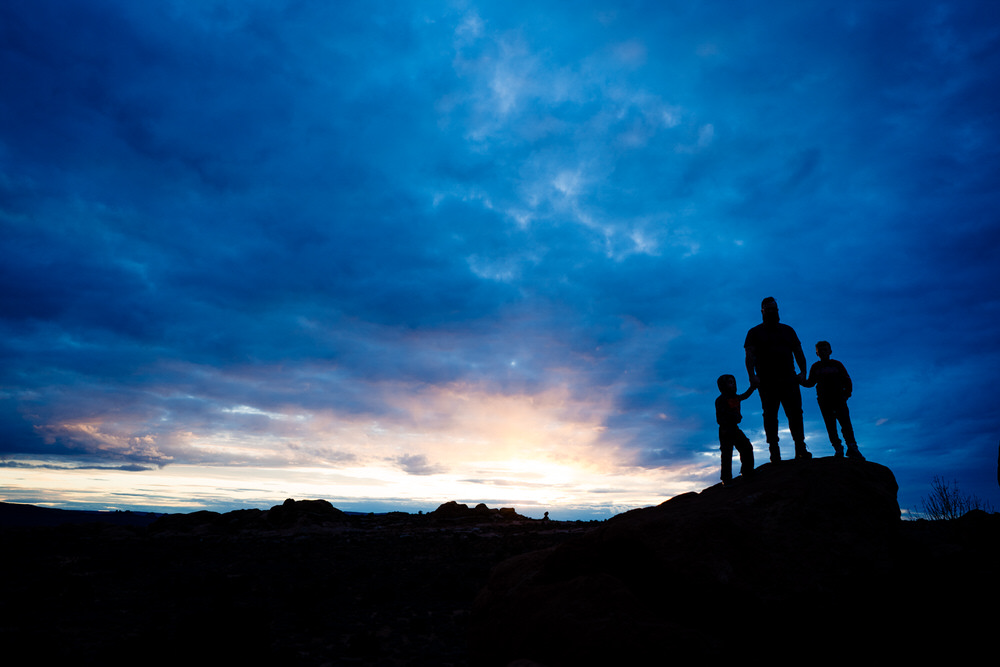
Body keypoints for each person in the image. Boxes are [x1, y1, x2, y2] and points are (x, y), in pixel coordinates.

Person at [744, 297, 811, 462]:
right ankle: (774, 450)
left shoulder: (788, 330)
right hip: (767, 382)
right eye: (769, 309)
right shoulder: (754, 333)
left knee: (795, 413)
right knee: (770, 415)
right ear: (762, 311)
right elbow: (749, 356)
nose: (773, 312)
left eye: (775, 309)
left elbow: (799, 352)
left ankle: (800, 447)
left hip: (789, 379)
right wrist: (752, 376)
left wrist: (803, 372)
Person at [800, 341, 865, 460]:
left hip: (839, 399)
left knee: (846, 424)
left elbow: (847, 380)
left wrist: (846, 395)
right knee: (830, 426)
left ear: (830, 351)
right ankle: (838, 448)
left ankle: (852, 448)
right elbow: (810, 382)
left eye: (825, 349)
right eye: (820, 351)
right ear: (817, 353)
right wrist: (800, 380)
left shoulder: (837, 365)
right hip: (824, 401)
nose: (823, 352)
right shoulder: (815, 367)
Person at [715, 374, 756, 484]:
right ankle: (726, 479)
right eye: (730, 382)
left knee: (746, 447)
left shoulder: (736, 397)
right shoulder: (720, 400)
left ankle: (747, 471)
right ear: (723, 385)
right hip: (725, 430)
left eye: (733, 382)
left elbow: (745, 396)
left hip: (734, 428)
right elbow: (720, 418)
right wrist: (733, 416)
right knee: (727, 454)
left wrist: (752, 387)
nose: (732, 385)